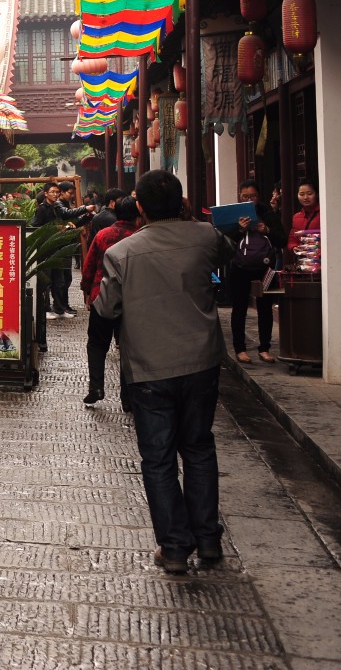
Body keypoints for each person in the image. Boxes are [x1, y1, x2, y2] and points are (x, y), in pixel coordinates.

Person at [97, 170, 234, 574]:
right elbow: (226, 254)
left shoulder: (121, 253)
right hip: (202, 360)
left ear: (139, 207)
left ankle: (175, 547)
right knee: (198, 447)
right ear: (182, 201)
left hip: (149, 367)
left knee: (157, 459)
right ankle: (208, 539)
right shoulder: (206, 236)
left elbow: (106, 309)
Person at [81, 196, 140, 408]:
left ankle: (96, 387)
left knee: (97, 343)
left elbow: (89, 265)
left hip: (102, 296)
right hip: (133, 299)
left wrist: (87, 291)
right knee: (128, 347)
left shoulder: (103, 235)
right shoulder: (139, 237)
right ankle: (128, 397)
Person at [223, 178, 287, 363]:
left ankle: (264, 348)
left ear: (258, 196)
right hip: (239, 267)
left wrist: (266, 229)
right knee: (239, 308)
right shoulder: (234, 214)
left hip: (265, 268)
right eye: (245, 196)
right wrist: (239, 230)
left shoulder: (267, 213)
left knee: (265, 307)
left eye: (252, 196)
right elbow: (224, 241)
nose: (248, 200)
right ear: (239, 196)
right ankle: (240, 349)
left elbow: (281, 240)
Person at [32, 182, 94, 317]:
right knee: (46, 281)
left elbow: (65, 220)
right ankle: (46, 309)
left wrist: (67, 225)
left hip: (57, 248)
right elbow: (35, 228)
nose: (55, 195)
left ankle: (60, 309)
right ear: (46, 193)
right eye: (52, 192)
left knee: (59, 281)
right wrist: (55, 229)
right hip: (46, 249)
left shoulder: (56, 207)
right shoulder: (42, 209)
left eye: (57, 192)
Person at [290, 180, 321, 247]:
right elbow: (292, 238)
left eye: (309, 194)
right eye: (301, 194)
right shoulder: (296, 217)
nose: (305, 197)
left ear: (317, 194)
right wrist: (294, 247)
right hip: (303, 255)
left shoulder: (323, 214)